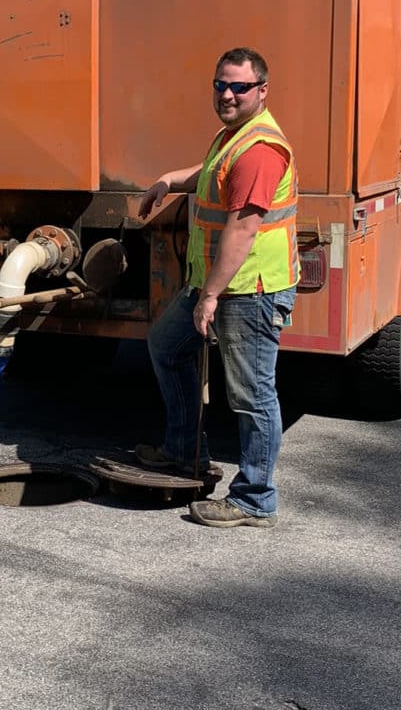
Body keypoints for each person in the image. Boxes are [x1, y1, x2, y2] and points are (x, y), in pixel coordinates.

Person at [136, 47, 299, 529]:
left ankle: (254, 498)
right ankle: (184, 452)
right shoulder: (234, 137)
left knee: (252, 394)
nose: (227, 94)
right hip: (216, 284)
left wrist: (209, 296)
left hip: (249, 290)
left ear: (262, 91)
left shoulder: (260, 149)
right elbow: (212, 177)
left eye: (239, 87)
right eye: (220, 85)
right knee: (166, 346)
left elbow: (243, 229)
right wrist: (170, 180)